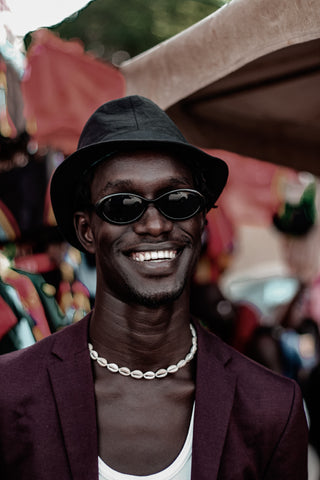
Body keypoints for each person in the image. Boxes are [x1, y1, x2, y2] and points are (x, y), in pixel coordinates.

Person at [0, 95, 308, 479]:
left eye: (178, 201)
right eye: (122, 204)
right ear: (86, 231)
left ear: (201, 223)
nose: (155, 225)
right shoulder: (9, 394)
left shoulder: (271, 408)